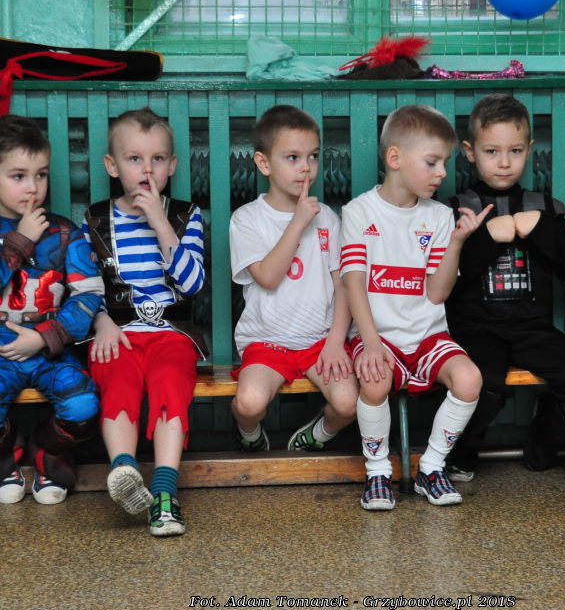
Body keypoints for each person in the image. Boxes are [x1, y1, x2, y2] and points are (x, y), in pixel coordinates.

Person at [0, 115, 104, 506]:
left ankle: (48, 451)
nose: (32, 187)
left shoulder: (65, 232)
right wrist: (19, 242)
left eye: (41, 175)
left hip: (53, 354)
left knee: (84, 407)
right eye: (18, 176)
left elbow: (88, 295)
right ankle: (4, 455)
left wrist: (43, 337)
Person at [444, 94, 565, 482]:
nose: (504, 162)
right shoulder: (456, 207)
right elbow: (446, 280)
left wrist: (543, 229)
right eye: (491, 151)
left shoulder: (543, 206)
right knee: (484, 381)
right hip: (475, 328)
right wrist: (483, 239)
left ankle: (543, 442)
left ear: (529, 149)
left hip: (532, 329)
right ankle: (461, 454)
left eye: (515, 151)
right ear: (470, 152)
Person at [340, 104, 486, 511]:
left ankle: (432, 468)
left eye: (445, 163)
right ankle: (377, 472)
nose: (442, 173)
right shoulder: (358, 212)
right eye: (432, 162)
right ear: (395, 158)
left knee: (470, 379)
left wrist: (456, 243)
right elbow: (353, 282)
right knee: (374, 381)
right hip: (378, 336)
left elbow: (437, 294)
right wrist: (371, 343)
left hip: (427, 336)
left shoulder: (439, 217)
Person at [84, 107, 207, 537]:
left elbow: (191, 283)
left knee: (170, 383)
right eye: (134, 159)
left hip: (172, 334)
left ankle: (165, 494)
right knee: (118, 379)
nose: (147, 170)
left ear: (172, 166)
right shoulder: (95, 220)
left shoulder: (185, 216)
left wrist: (158, 220)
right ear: (112, 166)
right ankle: (124, 470)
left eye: (157, 159)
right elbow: (83, 285)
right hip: (115, 332)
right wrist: (101, 321)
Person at [229, 105, 358, 455]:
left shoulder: (328, 218)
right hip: (267, 341)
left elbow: (343, 284)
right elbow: (268, 277)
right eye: (293, 157)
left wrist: (336, 342)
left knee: (348, 403)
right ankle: (249, 432)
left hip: (320, 342)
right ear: (264, 163)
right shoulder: (247, 219)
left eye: (313, 156)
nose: (306, 167)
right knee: (249, 403)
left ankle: (318, 433)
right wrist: (298, 222)